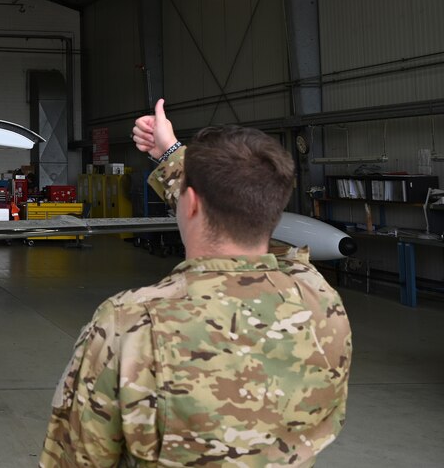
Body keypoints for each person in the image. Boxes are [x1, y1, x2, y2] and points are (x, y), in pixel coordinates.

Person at [40, 99, 352, 467]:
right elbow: (237, 208)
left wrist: (175, 157)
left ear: (188, 204)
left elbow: (80, 458)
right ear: (274, 205)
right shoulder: (319, 300)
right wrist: (169, 152)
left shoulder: (129, 324)